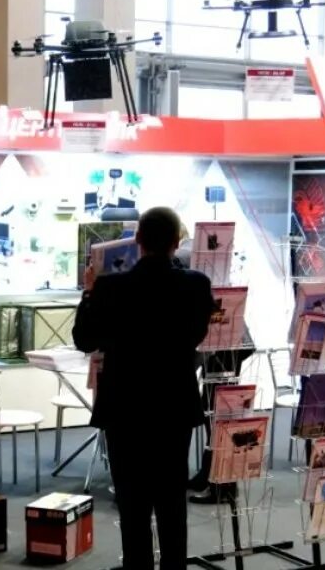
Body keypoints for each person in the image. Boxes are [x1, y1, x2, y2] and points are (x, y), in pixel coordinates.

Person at [73, 207, 215, 570]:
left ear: (138, 241)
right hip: (173, 407)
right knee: (172, 504)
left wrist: (89, 292)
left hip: (124, 409)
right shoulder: (196, 286)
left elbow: (85, 340)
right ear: (177, 242)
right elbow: (196, 336)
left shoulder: (110, 287)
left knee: (133, 506)